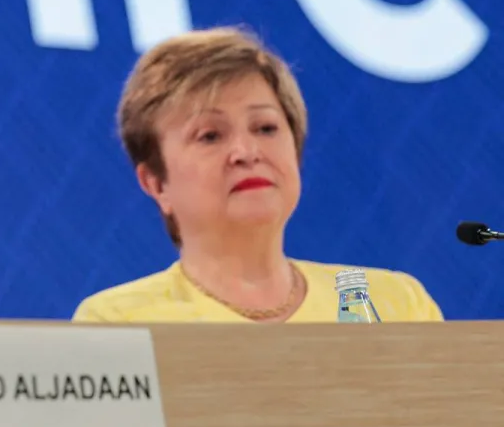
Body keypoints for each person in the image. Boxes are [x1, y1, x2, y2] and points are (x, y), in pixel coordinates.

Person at [73, 26, 440, 323]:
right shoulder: (120, 322)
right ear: (156, 183)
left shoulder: (394, 305)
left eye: (265, 128)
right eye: (210, 136)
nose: (246, 153)